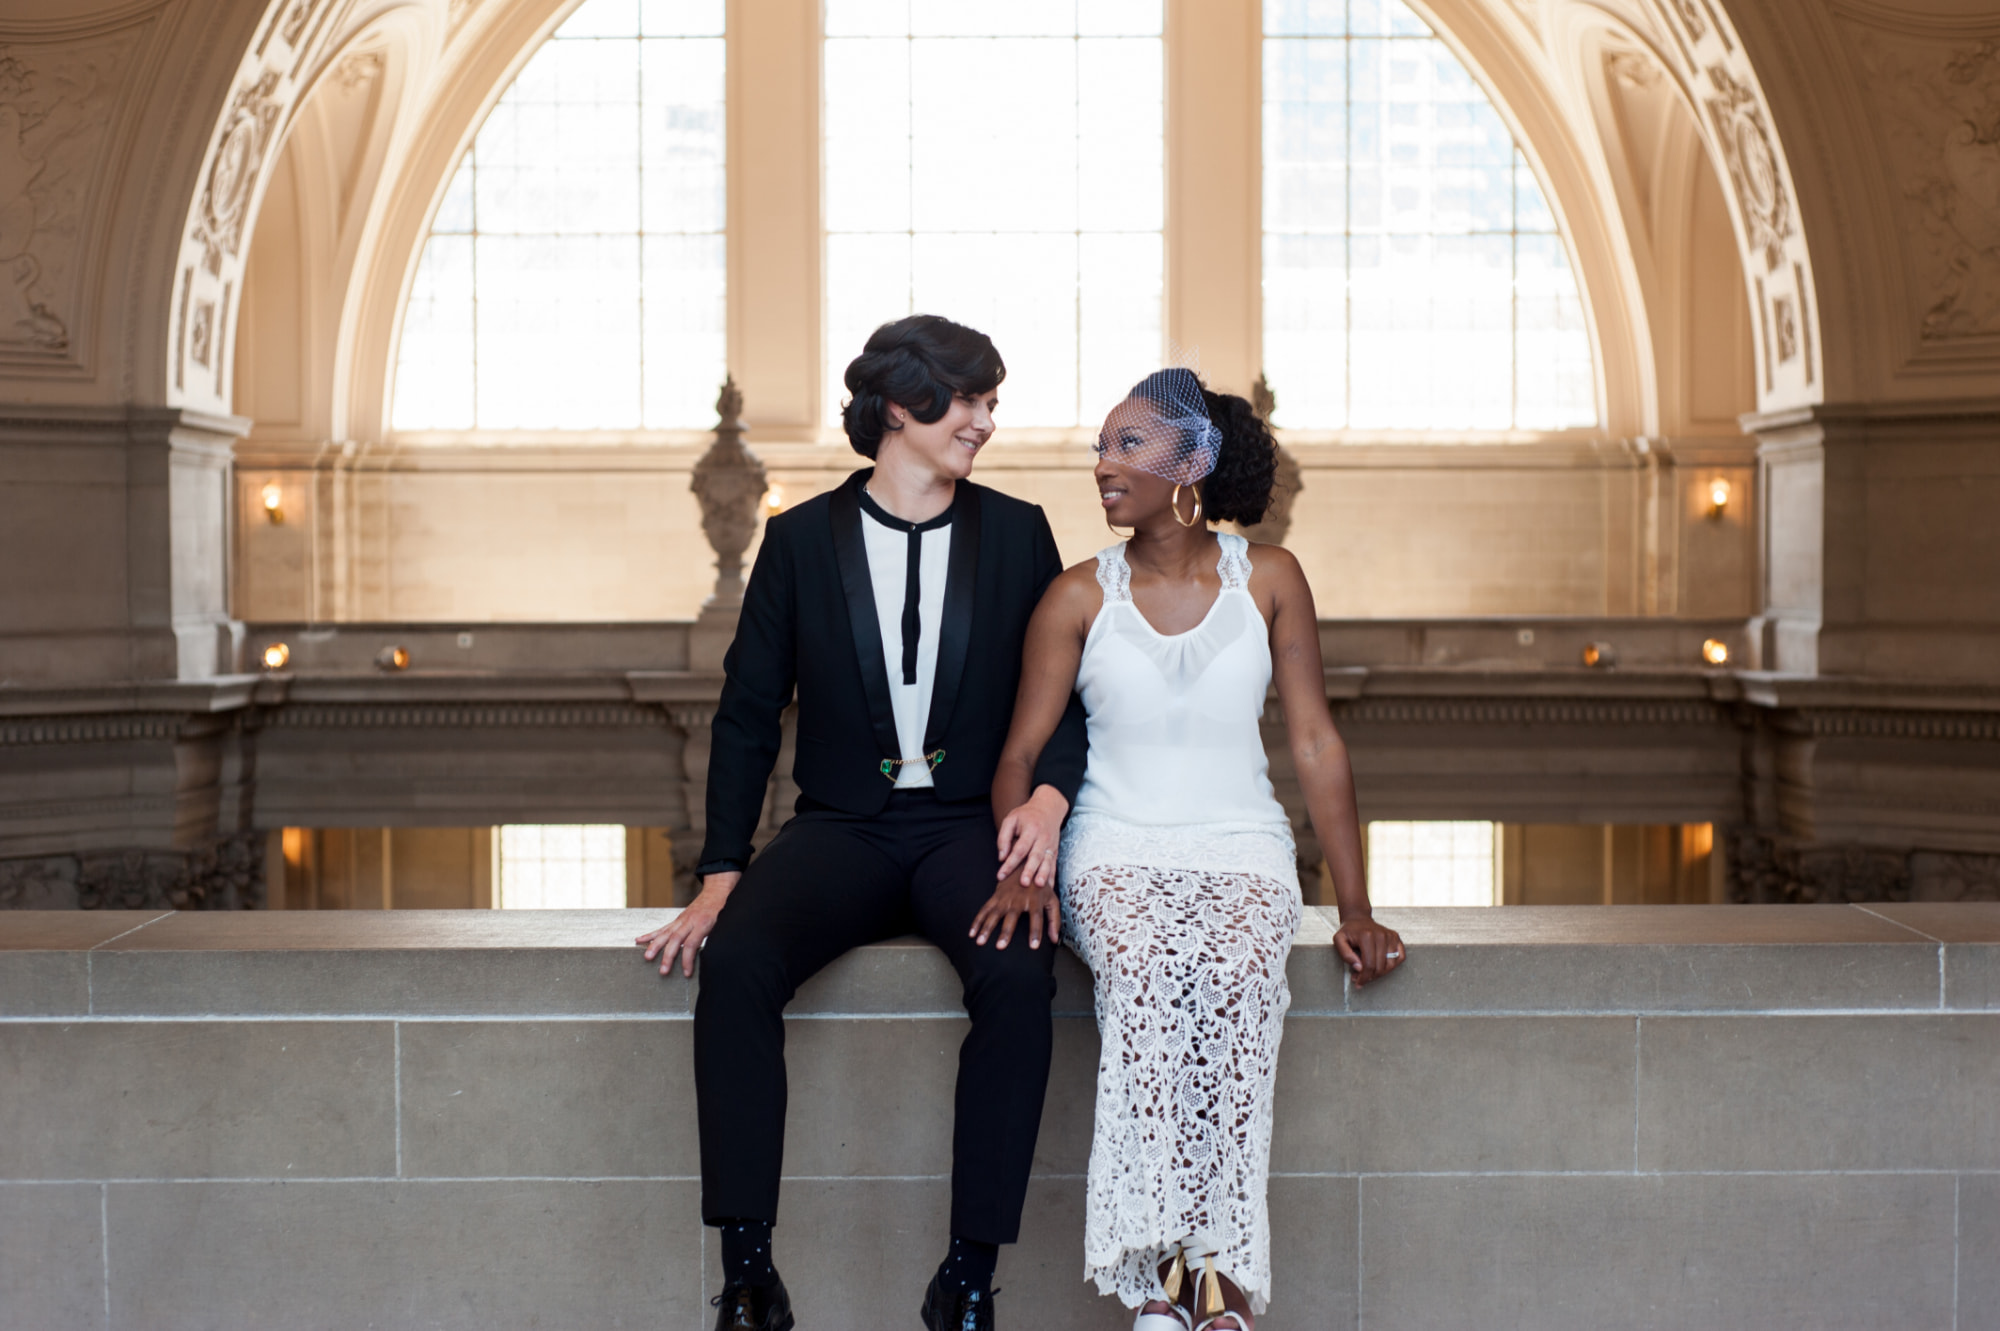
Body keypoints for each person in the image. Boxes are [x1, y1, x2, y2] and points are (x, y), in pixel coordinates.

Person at [636, 314, 1089, 1331]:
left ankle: (968, 1275)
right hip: (839, 826)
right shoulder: (797, 541)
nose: (983, 420)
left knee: (1019, 975)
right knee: (740, 960)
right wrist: (720, 870)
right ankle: (748, 1269)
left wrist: (1051, 796)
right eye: (967, 399)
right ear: (901, 405)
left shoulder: (1018, 532)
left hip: (968, 831)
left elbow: (1067, 696)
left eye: (988, 402)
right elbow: (749, 712)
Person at [971, 368, 1406, 1330]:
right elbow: (1018, 756)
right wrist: (1020, 864)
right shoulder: (1077, 595)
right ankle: (1197, 1278)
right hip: (1110, 849)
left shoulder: (1274, 579)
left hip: (1245, 846)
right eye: (1101, 446)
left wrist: (1356, 904)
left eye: (1127, 445)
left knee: (1241, 975)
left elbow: (1316, 743)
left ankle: (1194, 1272)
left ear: (1192, 461)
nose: (1102, 465)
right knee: (1151, 972)